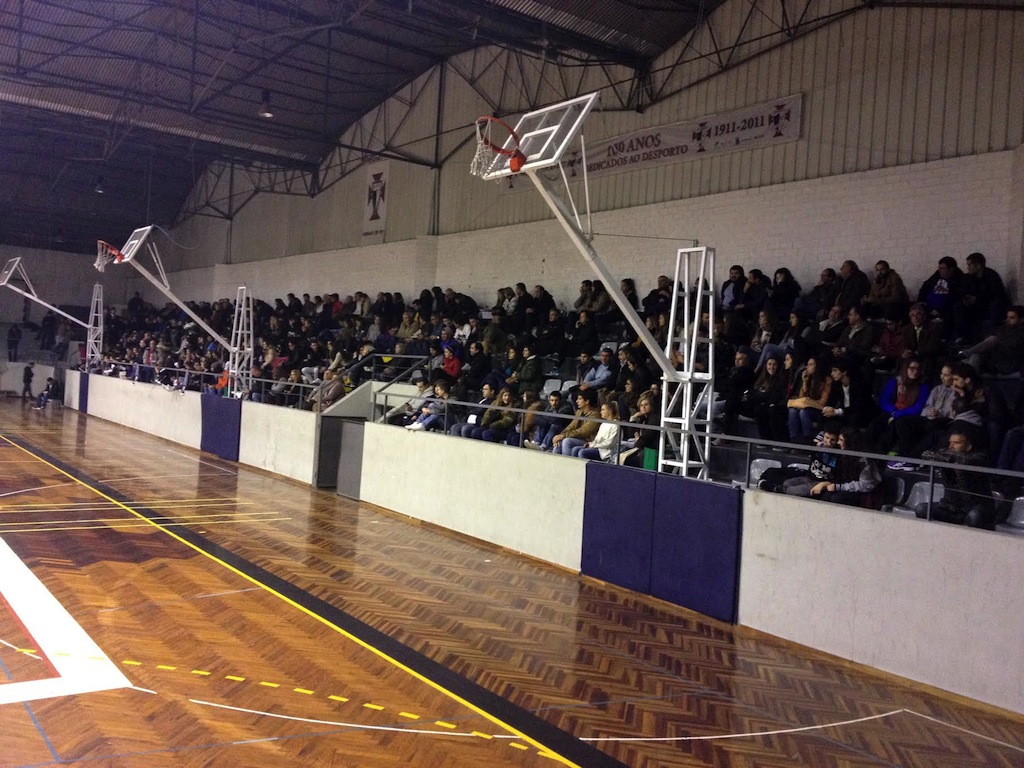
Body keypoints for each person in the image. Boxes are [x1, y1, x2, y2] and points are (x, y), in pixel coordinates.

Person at [918, 425, 994, 528]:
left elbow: (965, 460)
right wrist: (947, 457)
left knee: (974, 516)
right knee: (921, 509)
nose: (951, 446)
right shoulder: (948, 455)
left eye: (956, 443)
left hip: (975, 506)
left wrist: (947, 457)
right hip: (951, 507)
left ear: (968, 446)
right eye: (950, 442)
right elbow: (926, 454)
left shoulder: (980, 457)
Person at [759, 421, 841, 496]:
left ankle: (775, 489)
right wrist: (815, 445)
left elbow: (839, 477)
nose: (829, 442)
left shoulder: (839, 454)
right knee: (787, 483)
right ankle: (777, 488)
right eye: (827, 438)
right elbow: (797, 441)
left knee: (797, 490)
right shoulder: (817, 446)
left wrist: (825, 484)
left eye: (832, 440)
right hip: (808, 477)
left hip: (821, 483)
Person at [786, 357, 831, 440]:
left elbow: (823, 402)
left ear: (817, 367)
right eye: (807, 364)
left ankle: (808, 439)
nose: (807, 367)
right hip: (807, 407)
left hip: (818, 410)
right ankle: (794, 440)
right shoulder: (808, 378)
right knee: (793, 411)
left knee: (803, 412)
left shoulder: (826, 380)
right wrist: (804, 382)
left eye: (810, 365)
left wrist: (808, 402)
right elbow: (801, 399)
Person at [551, 389, 601, 455]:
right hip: (577, 438)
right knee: (558, 442)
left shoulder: (595, 415)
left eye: (580, 399)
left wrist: (564, 436)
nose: (577, 401)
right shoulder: (579, 412)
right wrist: (560, 435)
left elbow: (583, 431)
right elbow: (571, 426)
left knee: (567, 441)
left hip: (588, 441)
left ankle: (567, 461)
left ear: (587, 401)